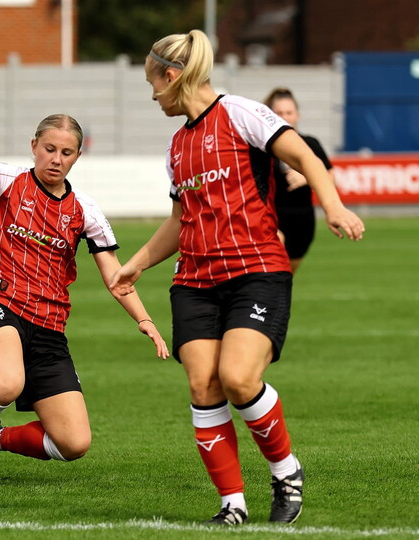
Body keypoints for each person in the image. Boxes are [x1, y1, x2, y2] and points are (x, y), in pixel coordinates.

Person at [110, 30, 365, 526]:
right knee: (204, 386)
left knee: (238, 378)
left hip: (257, 272)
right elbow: (179, 220)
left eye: (152, 84)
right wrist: (138, 261)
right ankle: (233, 505)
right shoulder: (177, 146)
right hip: (195, 282)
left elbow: (305, 156)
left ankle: (286, 471)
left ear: (172, 76)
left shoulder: (242, 114)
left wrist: (332, 205)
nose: (152, 95)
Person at [0, 114, 169, 467]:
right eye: (49, 149)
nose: (56, 159)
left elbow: (115, 276)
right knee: (7, 383)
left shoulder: (85, 210)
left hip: (49, 327)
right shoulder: (7, 179)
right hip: (0, 305)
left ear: (77, 157)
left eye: (67, 152)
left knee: (73, 443)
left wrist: (144, 319)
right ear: (34, 147)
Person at [264, 87, 335, 273]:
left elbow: (330, 176)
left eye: (289, 112)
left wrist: (306, 177)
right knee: (272, 271)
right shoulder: (261, 147)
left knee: (287, 274)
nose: (285, 117)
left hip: (302, 220)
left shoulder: (310, 144)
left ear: (298, 115)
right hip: (271, 217)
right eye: (279, 113)